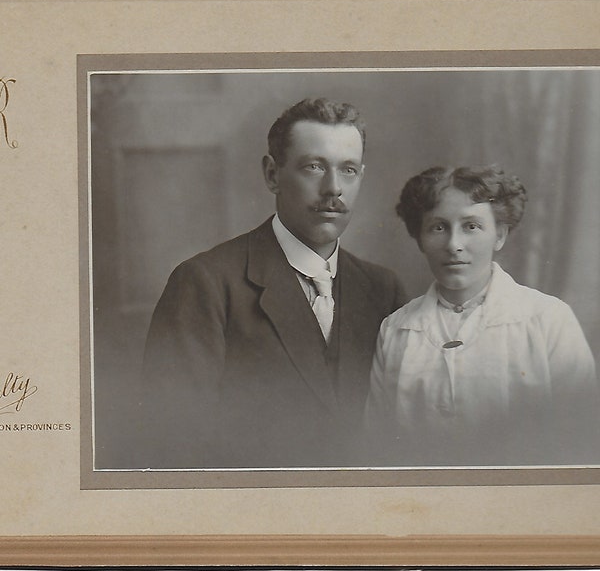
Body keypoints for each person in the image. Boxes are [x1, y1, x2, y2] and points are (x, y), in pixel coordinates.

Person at [139, 97, 406, 469]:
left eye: (348, 170)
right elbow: (171, 441)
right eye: (313, 167)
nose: (333, 188)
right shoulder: (206, 283)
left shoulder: (383, 290)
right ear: (272, 174)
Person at [365, 165, 598, 466]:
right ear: (420, 238)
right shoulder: (396, 330)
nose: (454, 245)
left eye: (471, 226)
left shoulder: (547, 319)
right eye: (438, 227)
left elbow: (581, 439)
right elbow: (377, 443)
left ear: (498, 235)